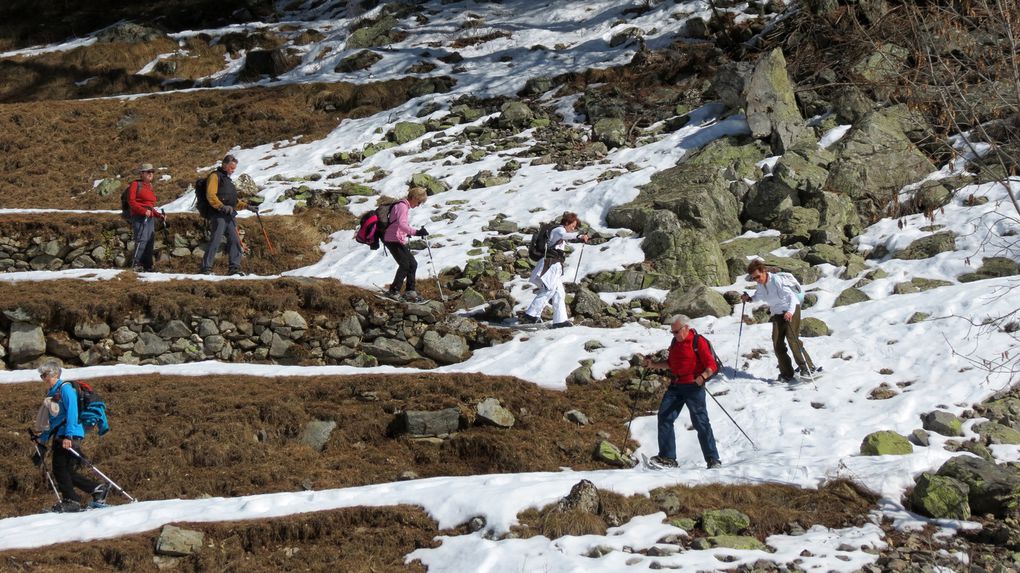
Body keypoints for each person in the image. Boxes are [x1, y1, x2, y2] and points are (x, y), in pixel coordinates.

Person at [643, 315, 721, 469]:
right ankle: (668, 458)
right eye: (672, 332)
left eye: (676, 332)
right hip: (677, 385)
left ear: (686, 328)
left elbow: (712, 365)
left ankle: (713, 460)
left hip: (693, 386)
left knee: (701, 422)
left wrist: (703, 377)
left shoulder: (698, 342)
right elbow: (671, 364)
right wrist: (653, 364)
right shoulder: (675, 343)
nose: (674, 335)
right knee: (664, 416)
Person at [33, 360, 107, 513]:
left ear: (54, 374)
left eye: (44, 375)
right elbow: (54, 422)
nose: (43, 378)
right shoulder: (53, 392)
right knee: (66, 470)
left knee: (59, 467)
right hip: (62, 434)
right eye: (41, 376)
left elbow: (72, 412)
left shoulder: (65, 389)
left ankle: (71, 501)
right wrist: (42, 438)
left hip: (68, 435)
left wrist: (69, 436)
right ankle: (97, 489)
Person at [740, 258, 817, 382]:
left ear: (764, 271)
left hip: (791, 309)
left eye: (758, 276)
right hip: (777, 313)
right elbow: (758, 296)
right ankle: (787, 373)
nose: (757, 280)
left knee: (792, 339)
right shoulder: (760, 285)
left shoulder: (777, 281)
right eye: (754, 278)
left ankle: (808, 368)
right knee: (777, 343)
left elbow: (792, 297)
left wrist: (790, 312)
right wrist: (748, 299)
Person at [199, 154, 256, 276]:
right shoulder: (215, 177)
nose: (233, 170)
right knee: (215, 239)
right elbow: (211, 195)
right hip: (218, 215)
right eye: (231, 167)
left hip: (229, 216)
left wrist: (247, 206)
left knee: (235, 240)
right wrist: (221, 206)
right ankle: (206, 268)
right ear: (224, 165)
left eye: (234, 168)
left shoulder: (228, 181)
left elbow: (233, 202)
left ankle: (234, 268)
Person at [383, 186, 429, 302]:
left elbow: (398, 225)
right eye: (419, 202)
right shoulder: (402, 206)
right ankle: (393, 291)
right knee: (405, 264)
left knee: (412, 263)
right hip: (391, 239)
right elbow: (402, 225)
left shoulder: (403, 206)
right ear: (413, 197)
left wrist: (405, 233)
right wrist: (417, 232)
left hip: (395, 239)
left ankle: (410, 291)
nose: (418, 205)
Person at [126, 163, 164, 272]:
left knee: (149, 241)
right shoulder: (135, 185)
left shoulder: (150, 186)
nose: (151, 174)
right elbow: (131, 202)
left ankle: (148, 265)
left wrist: (159, 215)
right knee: (142, 240)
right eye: (148, 172)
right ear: (142, 173)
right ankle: (136, 264)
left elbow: (150, 206)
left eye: (152, 172)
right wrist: (143, 211)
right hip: (139, 216)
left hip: (149, 217)